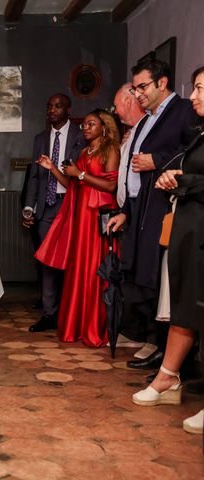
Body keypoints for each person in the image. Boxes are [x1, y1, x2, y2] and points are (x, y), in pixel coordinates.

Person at [107, 59, 199, 369]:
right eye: (134, 88)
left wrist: (156, 160)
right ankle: (156, 344)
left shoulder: (183, 111)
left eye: (142, 87)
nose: (138, 94)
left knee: (163, 282)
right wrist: (127, 212)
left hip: (168, 211)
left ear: (162, 83)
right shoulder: (149, 118)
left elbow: (192, 154)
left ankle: (168, 355)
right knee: (146, 280)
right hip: (143, 209)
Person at [131, 66, 204, 435]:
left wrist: (176, 174)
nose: (194, 96)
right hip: (188, 227)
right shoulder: (199, 131)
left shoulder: (186, 120)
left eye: (201, 89)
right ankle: (167, 378)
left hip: (196, 225)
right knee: (183, 305)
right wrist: (174, 175)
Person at [35, 110, 120, 347]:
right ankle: (77, 325)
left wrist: (80, 174)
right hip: (81, 215)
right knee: (79, 269)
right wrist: (53, 168)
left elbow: (111, 185)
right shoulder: (84, 151)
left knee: (94, 269)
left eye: (91, 124)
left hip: (97, 215)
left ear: (104, 127)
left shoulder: (110, 149)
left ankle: (94, 327)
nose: (85, 127)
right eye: (84, 124)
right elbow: (72, 184)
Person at [22, 94, 85, 333]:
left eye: (58, 106)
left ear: (68, 109)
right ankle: (49, 314)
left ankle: (70, 314)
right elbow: (35, 177)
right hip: (46, 207)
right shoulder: (40, 138)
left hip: (70, 203)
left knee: (70, 260)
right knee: (47, 261)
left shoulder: (81, 135)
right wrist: (29, 207)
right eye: (49, 106)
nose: (52, 110)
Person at [110, 83, 148, 350]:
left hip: (142, 210)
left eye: (117, 104)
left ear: (128, 101)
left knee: (140, 275)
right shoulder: (131, 133)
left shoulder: (146, 128)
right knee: (128, 273)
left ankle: (146, 336)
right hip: (128, 212)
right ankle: (133, 330)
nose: (115, 110)